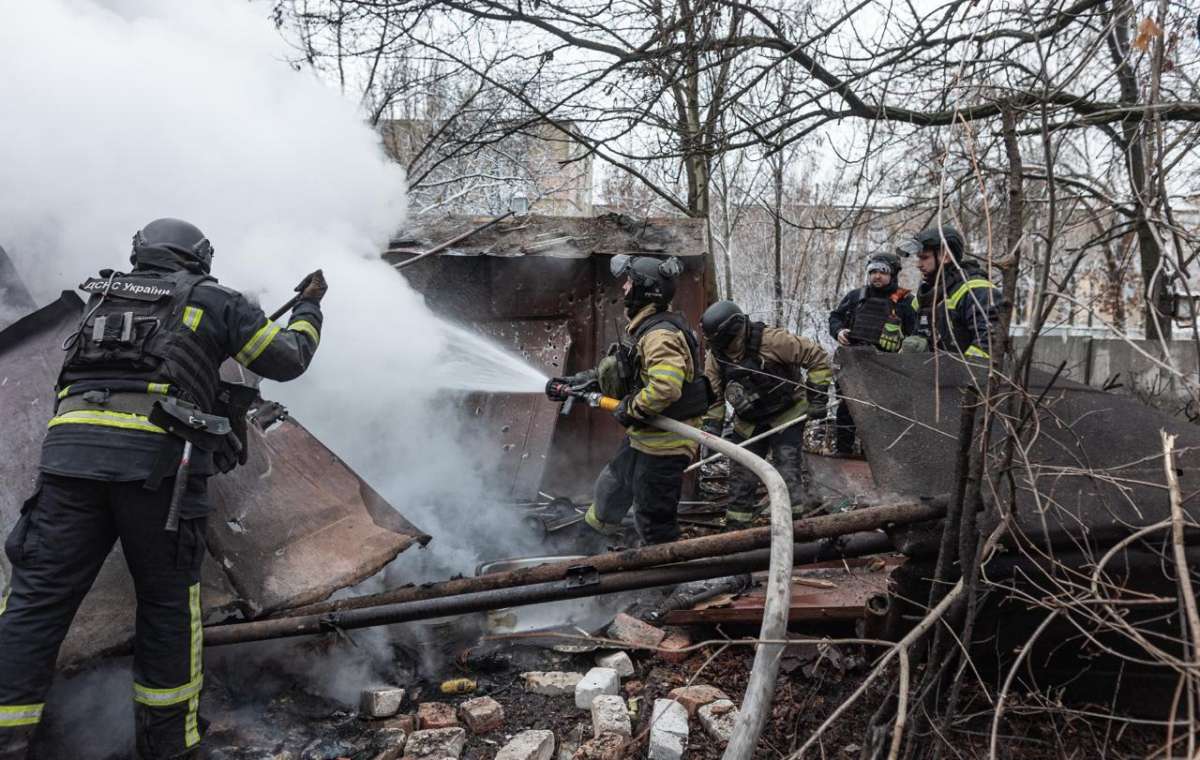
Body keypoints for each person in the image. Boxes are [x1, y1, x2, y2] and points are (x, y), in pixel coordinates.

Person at [0, 218, 326, 760]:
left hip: (68, 465)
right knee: (167, 604)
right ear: (199, 257)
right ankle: (169, 747)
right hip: (157, 471)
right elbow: (288, 358)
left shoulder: (100, 297)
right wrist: (311, 307)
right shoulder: (214, 299)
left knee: (35, 602)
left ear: (140, 254)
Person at [545, 255, 708, 546]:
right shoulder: (649, 328)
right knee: (611, 488)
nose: (624, 288)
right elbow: (627, 371)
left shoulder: (660, 335)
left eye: (629, 282)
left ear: (645, 290)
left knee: (653, 517)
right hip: (644, 437)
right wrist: (577, 382)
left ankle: (664, 582)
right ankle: (588, 546)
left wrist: (630, 408)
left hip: (666, 444)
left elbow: (665, 387)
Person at [699, 301, 833, 527]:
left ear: (730, 331)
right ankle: (737, 530)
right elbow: (715, 397)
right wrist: (711, 430)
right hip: (748, 422)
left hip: (787, 414)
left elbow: (818, 357)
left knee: (787, 468)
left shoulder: (772, 341)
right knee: (741, 474)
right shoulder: (716, 356)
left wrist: (818, 397)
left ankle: (792, 527)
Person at [827, 252, 915, 454]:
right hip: (854, 364)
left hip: (887, 369)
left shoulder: (906, 301)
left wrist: (904, 346)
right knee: (847, 409)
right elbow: (835, 317)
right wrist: (839, 331)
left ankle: (875, 459)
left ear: (893, 274)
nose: (877, 276)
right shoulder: (856, 296)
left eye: (882, 272)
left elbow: (916, 335)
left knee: (881, 416)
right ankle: (844, 453)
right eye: (872, 271)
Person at [896, 225, 1002, 361]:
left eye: (924, 257)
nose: (919, 264)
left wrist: (965, 375)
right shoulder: (926, 295)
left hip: (966, 379)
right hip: (930, 378)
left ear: (945, 256)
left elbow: (989, 344)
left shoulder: (976, 291)